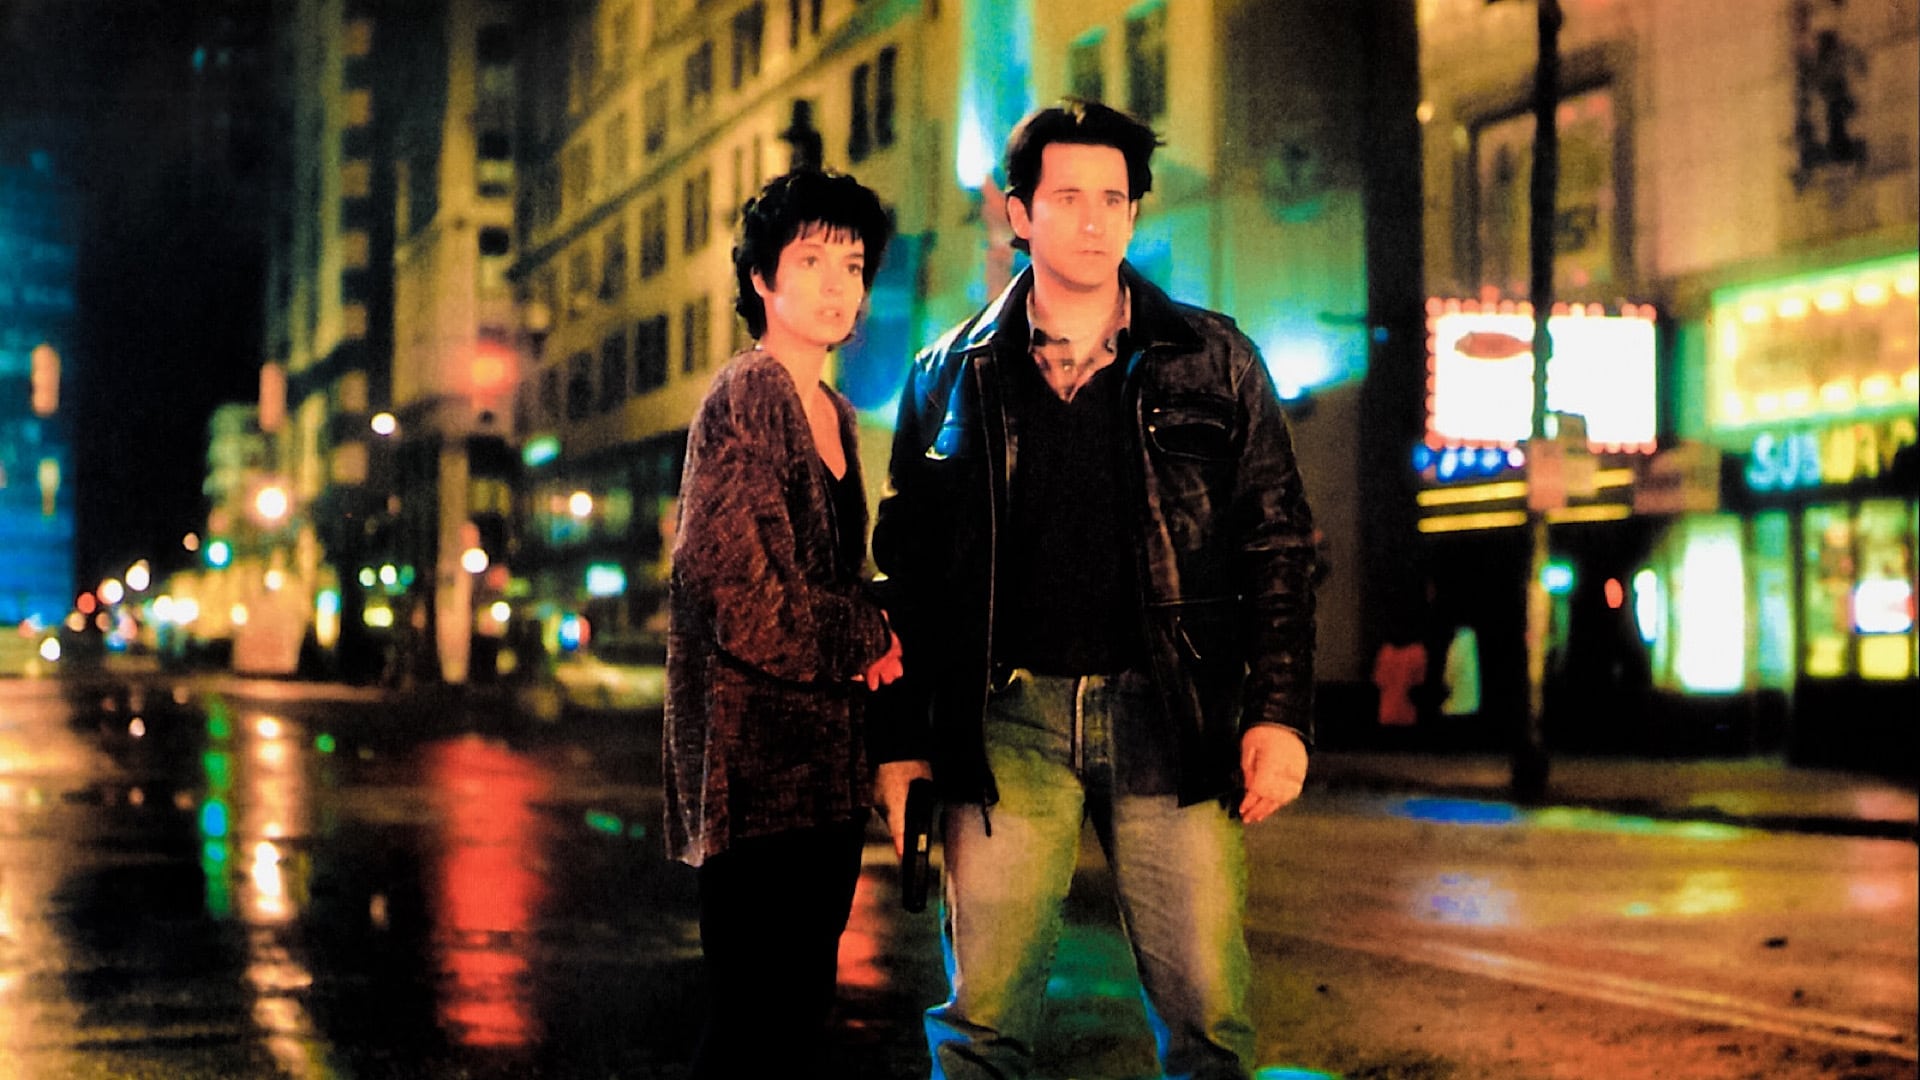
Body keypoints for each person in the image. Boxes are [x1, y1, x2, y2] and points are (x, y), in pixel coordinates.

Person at [870, 100, 1320, 1080]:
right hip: (1005, 722)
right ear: (1018, 213)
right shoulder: (946, 375)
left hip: (1173, 715)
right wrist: (901, 745)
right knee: (982, 1029)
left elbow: (1279, 543)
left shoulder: (1216, 359)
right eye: (1068, 197)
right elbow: (906, 577)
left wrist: (1279, 713)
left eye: (1114, 199)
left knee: (1210, 1027)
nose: (1093, 220)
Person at [662, 167, 904, 1078]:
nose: (838, 285)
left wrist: (874, 625)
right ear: (762, 278)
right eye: (811, 261)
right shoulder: (750, 392)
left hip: (824, 774)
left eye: (854, 265)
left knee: (794, 1019)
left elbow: (833, 582)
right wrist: (868, 637)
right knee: (753, 1027)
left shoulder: (834, 410)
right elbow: (743, 598)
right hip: (755, 775)